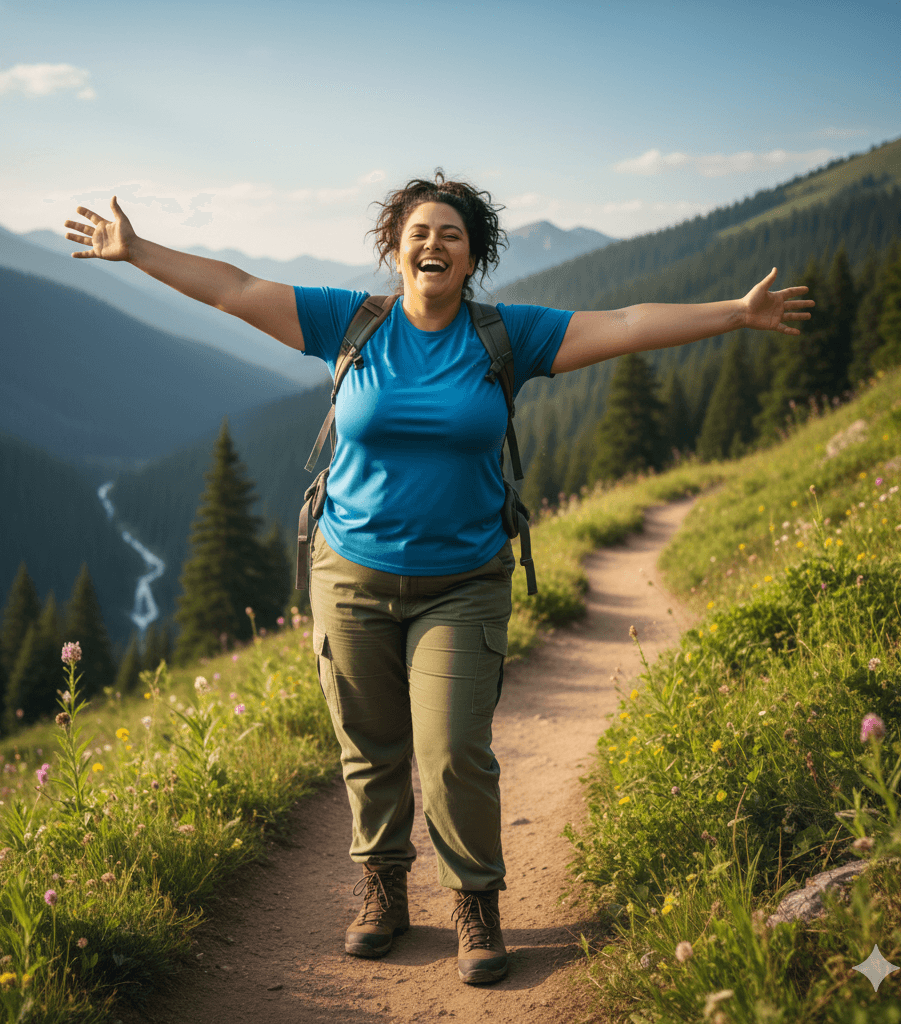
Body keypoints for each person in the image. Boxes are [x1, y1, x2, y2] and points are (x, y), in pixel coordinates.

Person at [64, 173, 813, 985]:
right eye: (419, 232)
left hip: (465, 582)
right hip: (349, 574)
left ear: (471, 256)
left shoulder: (508, 337)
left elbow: (627, 323)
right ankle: (384, 890)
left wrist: (737, 314)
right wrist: (136, 251)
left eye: (451, 234)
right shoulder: (344, 322)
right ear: (395, 248)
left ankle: (474, 903)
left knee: (454, 748)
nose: (433, 244)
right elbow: (237, 289)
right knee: (368, 744)